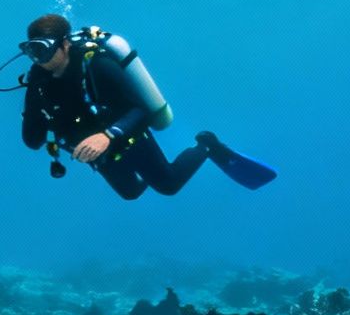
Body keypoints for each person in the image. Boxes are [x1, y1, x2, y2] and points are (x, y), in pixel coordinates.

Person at [16, 13, 274, 199]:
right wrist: (36, 110)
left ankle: (207, 145)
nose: (39, 59)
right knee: (130, 193)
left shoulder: (97, 66)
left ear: (65, 44)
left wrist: (107, 136)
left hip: (126, 135)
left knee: (168, 185)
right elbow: (32, 140)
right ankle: (143, 168)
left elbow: (141, 110)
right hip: (95, 152)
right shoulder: (38, 81)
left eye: (44, 49)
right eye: (32, 51)